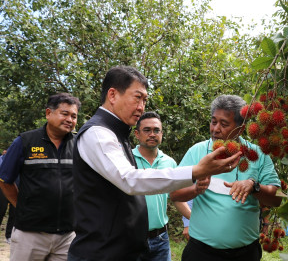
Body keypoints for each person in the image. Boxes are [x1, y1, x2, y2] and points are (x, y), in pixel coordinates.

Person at [68, 66, 240, 261]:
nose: (141, 107)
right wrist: (196, 171)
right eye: (137, 97)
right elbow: (129, 180)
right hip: (100, 253)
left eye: (145, 100)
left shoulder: (118, 134)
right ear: (113, 95)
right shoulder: (98, 134)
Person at [170, 95, 282, 261]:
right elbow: (174, 194)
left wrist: (254, 186)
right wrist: (196, 189)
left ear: (240, 129)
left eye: (224, 124)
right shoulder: (197, 152)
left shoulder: (257, 154)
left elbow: (276, 199)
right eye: (213, 121)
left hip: (245, 254)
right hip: (201, 253)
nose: (215, 129)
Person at [0, 93, 81, 261]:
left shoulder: (79, 144)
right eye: (64, 113)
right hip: (29, 234)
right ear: (48, 113)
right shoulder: (25, 141)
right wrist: (22, 207)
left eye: (74, 116)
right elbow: (5, 180)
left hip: (67, 236)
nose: (70, 119)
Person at [133, 111, 191, 261]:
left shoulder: (169, 162)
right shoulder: (127, 159)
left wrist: (193, 219)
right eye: (147, 130)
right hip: (131, 238)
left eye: (156, 130)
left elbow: (177, 197)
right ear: (137, 134)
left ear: (162, 134)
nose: (152, 134)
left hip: (161, 239)